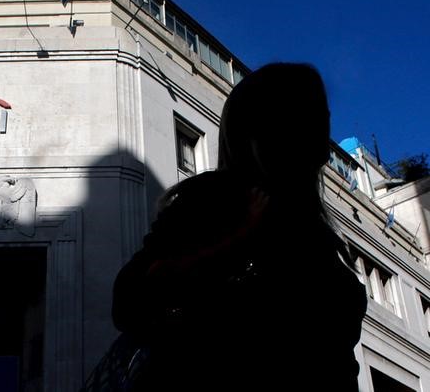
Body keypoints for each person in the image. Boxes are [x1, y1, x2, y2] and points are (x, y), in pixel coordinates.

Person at [110, 63, 368, 390]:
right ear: (265, 125)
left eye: (322, 113)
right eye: (306, 112)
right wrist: (235, 244)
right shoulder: (217, 200)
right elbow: (130, 300)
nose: (323, 125)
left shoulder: (316, 233)